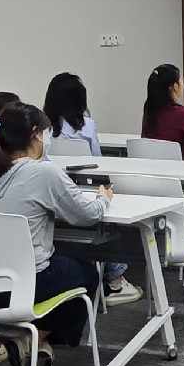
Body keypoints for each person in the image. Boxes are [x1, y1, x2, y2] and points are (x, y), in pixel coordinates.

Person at [0, 102, 108, 366]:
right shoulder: (43, 173)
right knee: (88, 274)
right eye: (45, 133)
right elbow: (87, 215)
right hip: (26, 284)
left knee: (63, 266)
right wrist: (103, 198)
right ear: (34, 134)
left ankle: (39, 346)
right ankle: (33, 338)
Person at [42, 71, 128, 291]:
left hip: (55, 191)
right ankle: (115, 275)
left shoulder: (44, 129)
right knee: (110, 217)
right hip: (85, 188)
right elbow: (98, 161)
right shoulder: (86, 125)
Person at [141, 63, 184, 161]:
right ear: (175, 86)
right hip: (176, 166)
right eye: (182, 80)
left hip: (151, 166)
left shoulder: (149, 108)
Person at [43, 72, 101, 155]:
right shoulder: (88, 125)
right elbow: (97, 156)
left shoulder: (42, 126)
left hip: (51, 163)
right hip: (85, 163)